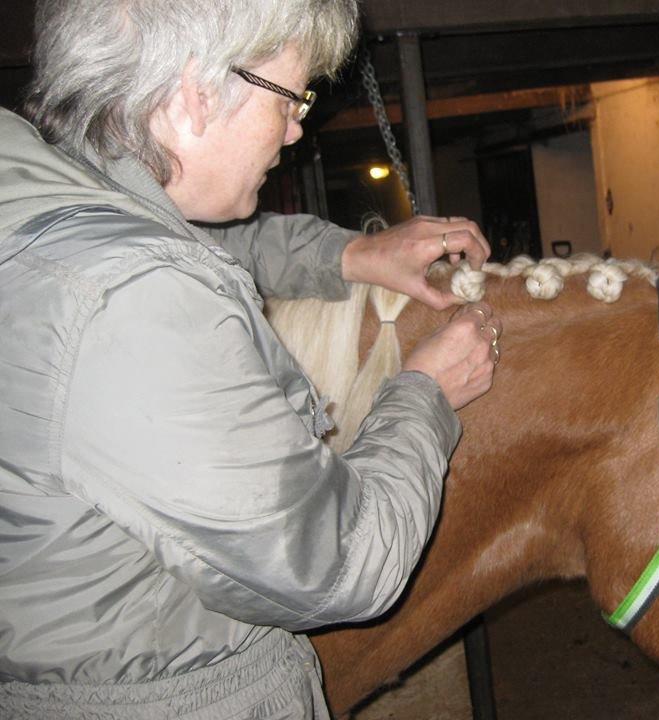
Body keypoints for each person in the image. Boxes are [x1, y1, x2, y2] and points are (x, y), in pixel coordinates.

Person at [0, 0, 502, 717]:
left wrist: (353, 254)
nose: (298, 129)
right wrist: (424, 389)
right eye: (291, 98)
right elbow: (340, 565)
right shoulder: (133, 304)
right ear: (193, 97)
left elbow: (189, 243)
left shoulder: (44, 206)